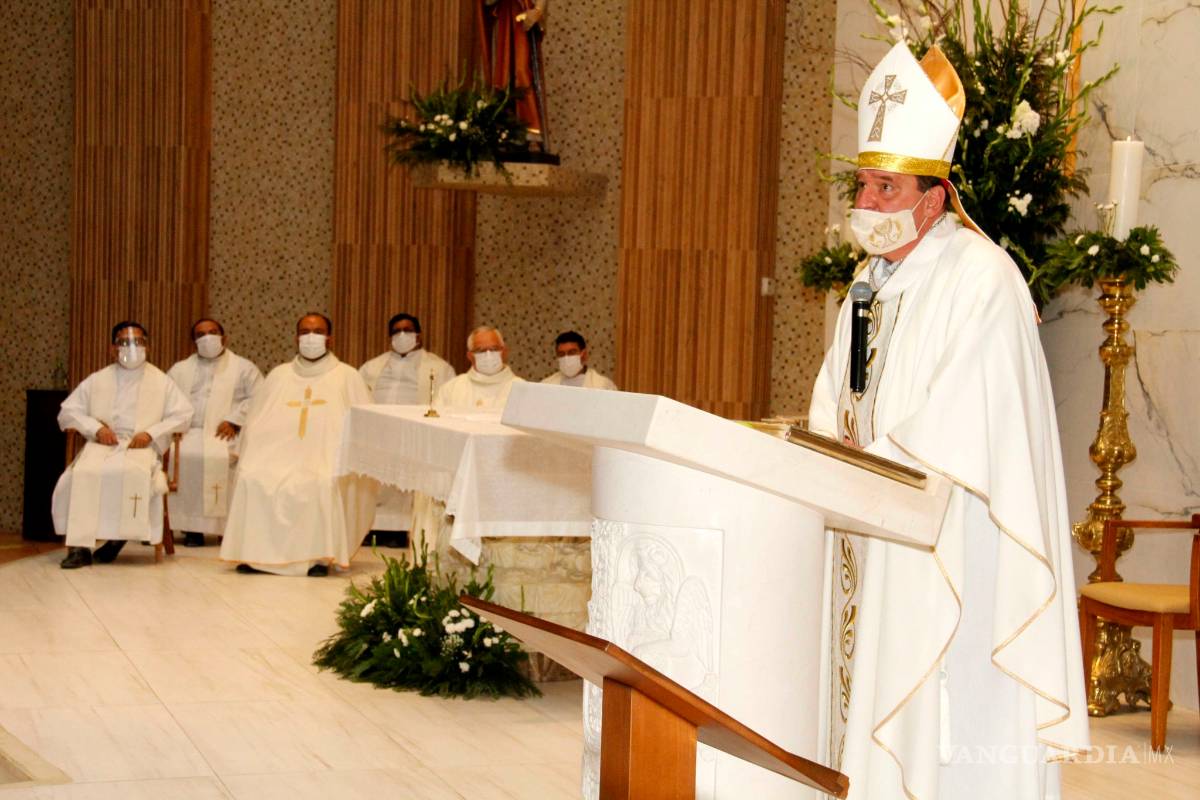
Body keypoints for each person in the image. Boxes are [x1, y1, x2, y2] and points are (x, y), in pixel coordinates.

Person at [808, 43, 1087, 799]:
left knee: (945, 734)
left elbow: (969, 424)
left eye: (884, 188)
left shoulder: (983, 279)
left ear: (932, 199)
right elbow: (838, 392)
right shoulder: (868, 281)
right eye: (862, 184)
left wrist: (876, 459)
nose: (866, 204)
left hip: (951, 549)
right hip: (874, 532)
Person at [219, 313, 376, 577]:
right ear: (296, 338)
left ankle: (317, 557)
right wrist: (251, 452)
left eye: (317, 331)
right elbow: (257, 420)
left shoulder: (347, 376)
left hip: (324, 459)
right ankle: (255, 554)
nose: (310, 337)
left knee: (321, 481)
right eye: (304, 331)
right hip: (277, 456)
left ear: (330, 338)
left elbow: (365, 426)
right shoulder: (279, 375)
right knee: (252, 475)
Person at [53, 321, 193, 568]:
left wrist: (150, 433)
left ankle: (120, 538)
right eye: (124, 341)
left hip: (141, 449)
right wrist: (96, 429)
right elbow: (67, 412)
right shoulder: (98, 379)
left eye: (138, 341)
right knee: (84, 473)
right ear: (112, 348)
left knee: (130, 474)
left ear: (147, 346)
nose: (132, 347)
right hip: (103, 446)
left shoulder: (161, 381)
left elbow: (184, 415)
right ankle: (80, 548)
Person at [360, 312, 455, 546]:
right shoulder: (372, 367)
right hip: (378, 433)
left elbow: (448, 403)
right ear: (389, 336)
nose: (402, 335)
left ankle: (400, 531)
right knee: (374, 480)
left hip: (415, 435)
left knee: (408, 482)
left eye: (407, 330)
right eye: (396, 331)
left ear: (418, 335)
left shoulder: (439, 368)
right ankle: (371, 529)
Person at [166, 318, 263, 547]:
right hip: (187, 432)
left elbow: (260, 396)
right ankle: (191, 528)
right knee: (182, 458)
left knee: (215, 458)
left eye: (213, 332)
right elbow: (165, 399)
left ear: (224, 337)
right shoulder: (179, 370)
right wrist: (174, 426)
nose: (207, 338)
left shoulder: (243, 367)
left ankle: (224, 527)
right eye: (201, 334)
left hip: (225, 433)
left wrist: (235, 420)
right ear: (194, 342)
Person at [478, 0, 550, 151]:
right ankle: (503, 129)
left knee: (522, 71)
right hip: (503, 17)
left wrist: (538, 10)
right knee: (503, 75)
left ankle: (532, 130)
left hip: (523, 14)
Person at [434, 325, 524, 410]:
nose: (488, 355)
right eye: (481, 350)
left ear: (504, 352)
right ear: (470, 356)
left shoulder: (522, 390)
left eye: (494, 349)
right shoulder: (451, 389)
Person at [540, 330, 617, 389]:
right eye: (561, 354)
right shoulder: (546, 385)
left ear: (584, 355)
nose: (566, 357)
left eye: (571, 352)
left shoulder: (602, 385)